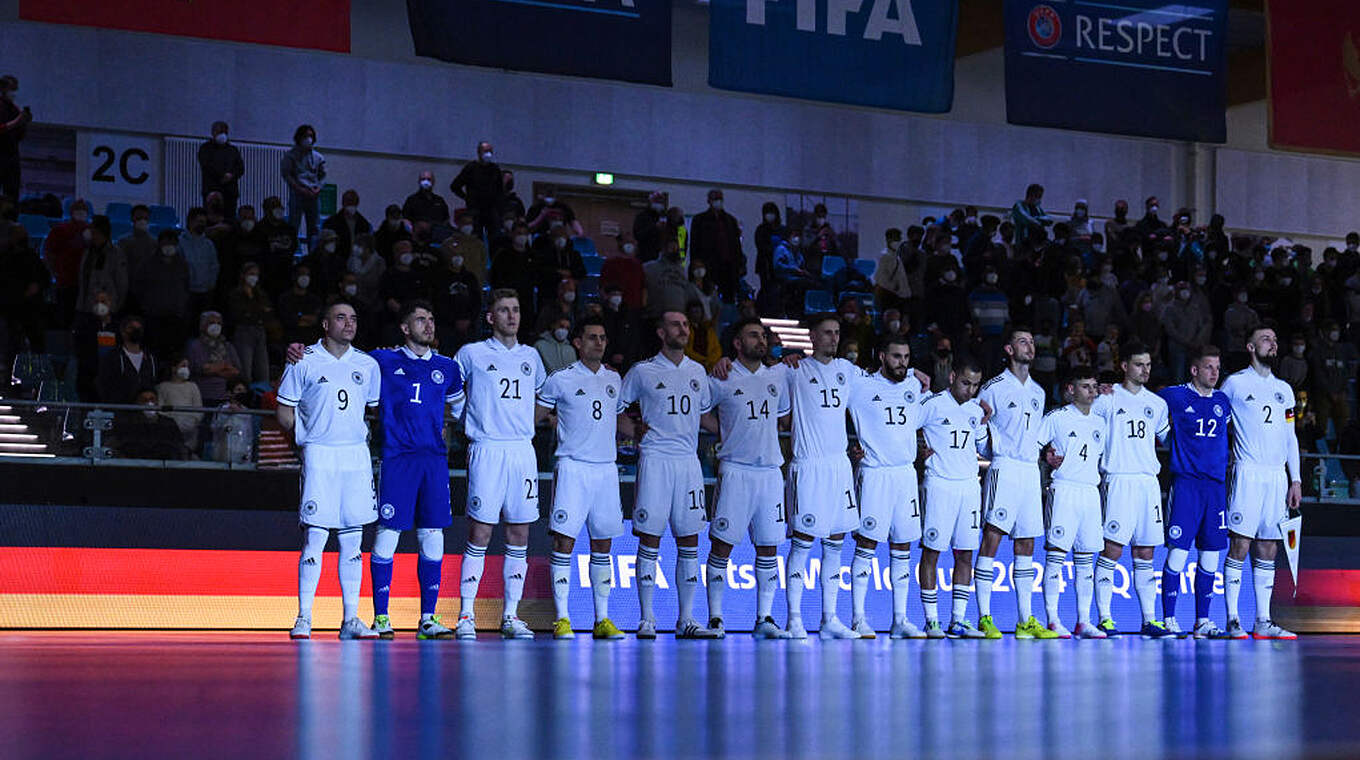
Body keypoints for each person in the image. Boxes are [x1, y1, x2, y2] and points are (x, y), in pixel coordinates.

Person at [277, 300, 382, 640]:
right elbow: (284, 410)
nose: (349, 323)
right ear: (325, 324)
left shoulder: (367, 364)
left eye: (353, 318)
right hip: (320, 455)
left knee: (353, 540)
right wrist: (303, 444)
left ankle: (351, 619)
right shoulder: (303, 359)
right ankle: (304, 616)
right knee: (316, 537)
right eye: (340, 317)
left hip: (355, 457)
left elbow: (374, 410)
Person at [367, 301, 466, 640]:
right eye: (421, 319)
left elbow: (462, 409)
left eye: (432, 319)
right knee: (388, 532)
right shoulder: (382, 360)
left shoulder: (447, 367)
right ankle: (381, 617)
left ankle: (428, 618)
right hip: (398, 459)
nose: (429, 324)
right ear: (406, 329)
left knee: (433, 534)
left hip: (434, 461)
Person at [618, 310, 719, 639]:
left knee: (690, 539)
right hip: (656, 460)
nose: (684, 329)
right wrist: (631, 430)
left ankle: (686, 618)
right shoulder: (643, 371)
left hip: (688, 463)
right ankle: (647, 617)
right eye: (676, 324)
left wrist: (735, 435)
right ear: (661, 332)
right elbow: (616, 405)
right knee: (650, 538)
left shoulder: (698, 372)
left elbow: (705, 416)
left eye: (686, 325)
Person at [452, 290, 547, 640]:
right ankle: (465, 615)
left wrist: (525, 425)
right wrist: (467, 419)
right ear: (490, 317)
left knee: (519, 533)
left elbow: (544, 400)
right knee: (480, 532)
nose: (512, 315)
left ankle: (510, 615)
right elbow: (450, 389)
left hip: (522, 452)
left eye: (516, 309)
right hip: (487, 449)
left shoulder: (532, 356)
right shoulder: (472, 353)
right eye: (504, 310)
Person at [536, 317, 629, 640]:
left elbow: (621, 421)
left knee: (603, 543)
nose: (599, 343)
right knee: (564, 542)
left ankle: (602, 619)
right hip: (573, 467)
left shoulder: (614, 379)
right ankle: (562, 618)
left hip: (606, 469)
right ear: (577, 343)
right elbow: (535, 415)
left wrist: (648, 434)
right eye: (592, 337)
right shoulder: (559, 379)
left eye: (603, 337)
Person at [699, 317, 791, 639]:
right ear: (737, 343)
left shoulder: (778, 376)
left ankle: (764, 618)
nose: (761, 340)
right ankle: (716, 618)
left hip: (769, 473)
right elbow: (699, 411)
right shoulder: (721, 377)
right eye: (753, 335)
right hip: (736, 470)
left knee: (768, 547)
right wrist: (724, 431)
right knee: (721, 545)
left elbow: (782, 417)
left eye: (763, 335)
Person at [774, 314, 861, 639]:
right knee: (802, 544)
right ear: (811, 336)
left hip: (839, 468)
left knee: (836, 545)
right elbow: (759, 377)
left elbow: (881, 385)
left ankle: (829, 620)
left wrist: (916, 373)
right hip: (809, 467)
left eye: (837, 333)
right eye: (826, 333)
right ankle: (794, 619)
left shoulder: (847, 371)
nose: (833, 338)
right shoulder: (794, 370)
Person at [1087, 343, 1176, 637]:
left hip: (1148, 483)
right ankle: (1104, 617)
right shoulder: (1107, 398)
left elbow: (1169, 440)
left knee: (1145, 551)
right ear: (1125, 366)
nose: (1145, 370)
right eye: (1139, 364)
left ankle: (1149, 619)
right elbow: (1083, 420)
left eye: (1149, 364)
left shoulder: (1157, 404)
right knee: (1111, 548)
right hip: (1119, 480)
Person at [1220, 325, 1302, 639]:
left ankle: (1263, 621)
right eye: (1266, 339)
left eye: (1275, 339)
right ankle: (1232, 619)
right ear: (1251, 347)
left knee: (1268, 546)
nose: (1274, 343)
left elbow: (1290, 437)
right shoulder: (1235, 384)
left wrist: (1294, 479)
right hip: (1248, 472)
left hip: (1276, 477)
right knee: (1240, 544)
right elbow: (1217, 421)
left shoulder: (1285, 389)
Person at [975, 327, 1057, 638]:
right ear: (1009, 350)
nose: (1030, 346)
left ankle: (1025, 620)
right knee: (992, 537)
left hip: (1029, 471)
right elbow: (977, 428)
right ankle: (984, 616)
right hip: (1005, 467)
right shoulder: (993, 387)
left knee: (1027, 542)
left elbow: (1036, 437)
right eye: (1023, 341)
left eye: (1033, 340)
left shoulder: (1038, 391)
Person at [845, 335, 928, 638]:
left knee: (903, 547)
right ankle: (858, 618)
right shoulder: (860, 385)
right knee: (867, 544)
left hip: (906, 476)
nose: (902, 363)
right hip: (875, 474)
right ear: (881, 356)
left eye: (906, 357)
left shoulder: (914, 385)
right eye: (896, 357)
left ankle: (900, 620)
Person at [1158, 344, 1232, 638]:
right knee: (1178, 553)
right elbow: (1141, 405)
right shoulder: (1174, 395)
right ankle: (1169, 619)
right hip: (1187, 485)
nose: (1215, 373)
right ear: (1194, 369)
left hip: (1215, 487)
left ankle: (1203, 621)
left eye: (1217, 367)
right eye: (1209, 367)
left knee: (1211, 555)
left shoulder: (1223, 401)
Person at [914, 355, 989, 639]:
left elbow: (986, 448)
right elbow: (903, 429)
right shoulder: (931, 405)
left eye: (975, 385)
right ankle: (931, 621)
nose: (970, 390)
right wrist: (918, 451)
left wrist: (988, 421)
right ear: (952, 377)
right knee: (932, 552)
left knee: (965, 553)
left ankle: (958, 620)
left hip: (969, 487)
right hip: (939, 486)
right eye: (966, 383)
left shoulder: (975, 410)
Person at [1034, 365, 1105, 638]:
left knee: (1086, 559)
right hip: (1064, 490)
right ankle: (1052, 619)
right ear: (1071, 389)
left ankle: (1084, 621)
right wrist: (1047, 458)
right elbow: (1035, 445)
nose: (1091, 391)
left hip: (1090, 493)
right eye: (1085, 386)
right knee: (1056, 556)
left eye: (1094, 385)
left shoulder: (1101, 421)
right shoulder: (1057, 418)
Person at [689, 189, 744, 303]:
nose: (717, 202)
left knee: (729, 297)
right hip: (708, 265)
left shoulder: (730, 221)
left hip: (728, 266)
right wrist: (696, 264)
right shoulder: (700, 220)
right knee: (707, 296)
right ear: (709, 201)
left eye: (719, 199)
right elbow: (695, 244)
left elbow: (736, 246)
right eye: (715, 199)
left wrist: (739, 264)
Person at [43, 198, 91, 327]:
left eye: (83, 209)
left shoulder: (93, 232)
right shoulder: (59, 230)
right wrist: (55, 273)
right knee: (65, 320)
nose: (81, 212)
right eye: (78, 209)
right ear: (71, 212)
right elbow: (48, 253)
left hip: (88, 286)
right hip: (66, 282)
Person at [227, 263, 273, 387]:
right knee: (245, 368)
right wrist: (257, 311)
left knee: (263, 369)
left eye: (256, 275)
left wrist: (253, 312)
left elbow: (267, 312)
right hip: (243, 332)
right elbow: (239, 314)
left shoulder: (261, 294)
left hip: (260, 331)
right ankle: (244, 396)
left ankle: (262, 397)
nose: (254, 277)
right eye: (251, 274)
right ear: (243, 275)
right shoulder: (236, 294)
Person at [75, 216, 128, 322]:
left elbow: (122, 284)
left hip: (105, 309)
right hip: (85, 307)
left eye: (92, 227)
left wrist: (114, 307)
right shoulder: (87, 252)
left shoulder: (116, 254)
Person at [96, 316, 159, 404]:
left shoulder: (150, 358)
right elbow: (104, 385)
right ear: (123, 332)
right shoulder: (113, 357)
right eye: (131, 328)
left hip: (144, 410)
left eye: (139, 328)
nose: (136, 330)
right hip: (121, 409)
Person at [280, 124, 325, 244]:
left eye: (311, 136)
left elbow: (322, 176)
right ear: (299, 137)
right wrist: (299, 188)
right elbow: (287, 175)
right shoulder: (290, 156)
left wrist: (318, 189)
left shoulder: (318, 157)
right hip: (297, 194)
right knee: (293, 225)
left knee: (314, 227)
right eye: (305, 136)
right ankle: (291, 252)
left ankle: (313, 254)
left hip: (314, 196)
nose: (308, 139)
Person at [186, 311, 242, 407]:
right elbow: (200, 369)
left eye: (219, 323)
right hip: (203, 395)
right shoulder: (195, 345)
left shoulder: (228, 346)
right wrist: (224, 366)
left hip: (226, 397)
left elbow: (237, 370)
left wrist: (214, 368)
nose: (216, 326)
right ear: (203, 326)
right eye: (212, 323)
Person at [114, 389, 188, 460]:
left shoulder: (168, 423)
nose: (149, 403)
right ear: (137, 403)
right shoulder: (129, 423)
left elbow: (180, 446)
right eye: (144, 400)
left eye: (152, 399)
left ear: (157, 402)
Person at [449, 141, 502, 238]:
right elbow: (455, 186)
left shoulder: (495, 169)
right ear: (479, 153)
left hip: (491, 209)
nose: (488, 154)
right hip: (475, 209)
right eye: (485, 151)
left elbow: (500, 189)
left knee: (495, 237)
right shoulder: (471, 168)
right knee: (476, 237)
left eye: (490, 151)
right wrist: (467, 197)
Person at [156, 355, 204, 454]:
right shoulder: (162, 387)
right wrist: (173, 424)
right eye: (183, 366)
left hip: (190, 431)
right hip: (170, 430)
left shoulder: (193, 386)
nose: (186, 369)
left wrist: (190, 423)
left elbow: (199, 409)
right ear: (174, 368)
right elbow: (160, 409)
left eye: (187, 366)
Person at [180, 207, 220, 320]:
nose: (202, 225)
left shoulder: (209, 245)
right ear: (190, 222)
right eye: (199, 221)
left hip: (206, 294)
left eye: (204, 222)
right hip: (187, 294)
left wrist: (210, 285)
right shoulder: (180, 243)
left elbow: (214, 267)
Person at [197, 121, 244, 217]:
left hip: (230, 193)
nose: (222, 134)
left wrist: (231, 175)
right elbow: (206, 166)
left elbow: (240, 167)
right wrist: (222, 176)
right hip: (212, 190)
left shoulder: (233, 150)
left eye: (224, 132)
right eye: (219, 132)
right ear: (213, 132)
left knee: (229, 219)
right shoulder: (205, 149)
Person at [0, 75, 32, 201]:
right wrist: (15, 123)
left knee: (12, 190)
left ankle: (9, 217)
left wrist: (23, 123)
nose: (14, 92)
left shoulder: (15, 109)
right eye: (11, 89)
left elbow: (19, 136)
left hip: (11, 154)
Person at [322, 189, 372, 262]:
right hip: (337, 260)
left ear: (357, 203)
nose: (350, 204)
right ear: (343, 203)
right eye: (348, 201)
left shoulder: (363, 224)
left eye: (352, 202)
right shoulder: (331, 223)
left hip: (358, 260)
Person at [683, 300, 721, 371]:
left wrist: (709, 361)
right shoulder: (685, 329)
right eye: (693, 312)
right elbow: (686, 350)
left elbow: (717, 349)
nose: (695, 315)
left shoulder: (708, 329)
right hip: (692, 365)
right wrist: (702, 360)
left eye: (697, 312)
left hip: (710, 366)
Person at [1010, 183, 1050, 249]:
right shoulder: (1019, 205)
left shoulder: (1037, 208)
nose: (1039, 199)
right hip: (1024, 244)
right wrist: (1039, 221)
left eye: (1040, 197)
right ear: (1030, 195)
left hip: (1037, 243)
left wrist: (1037, 219)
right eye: (1037, 196)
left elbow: (1048, 220)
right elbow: (1027, 220)